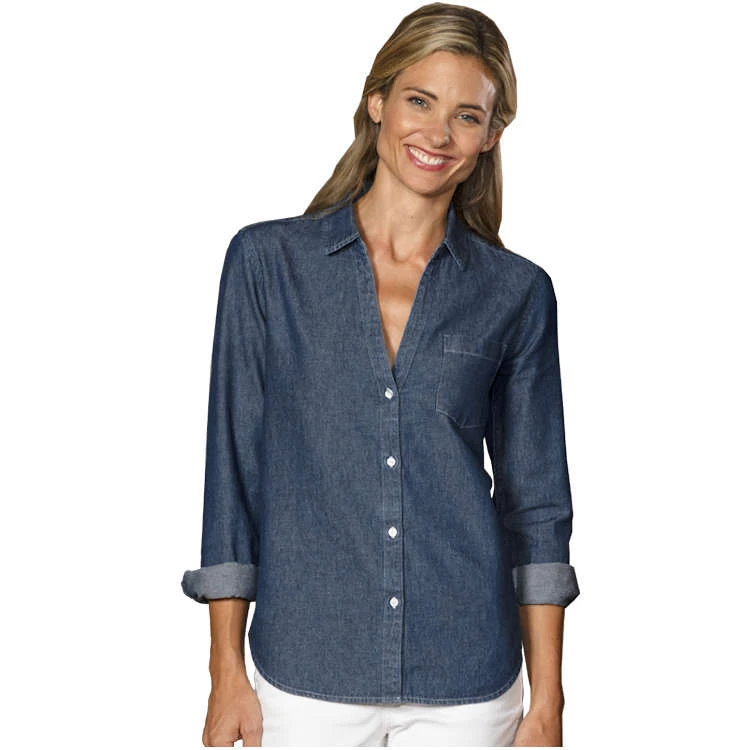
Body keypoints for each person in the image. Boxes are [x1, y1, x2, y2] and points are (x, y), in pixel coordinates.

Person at [181, 2, 580, 746]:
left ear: (491, 136)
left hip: (467, 674)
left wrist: (548, 700)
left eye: (467, 116)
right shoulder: (268, 266)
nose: (438, 134)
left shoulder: (516, 293)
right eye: (419, 102)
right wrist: (224, 670)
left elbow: (537, 508)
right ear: (377, 103)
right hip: (307, 671)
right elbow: (231, 476)